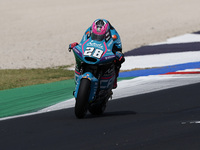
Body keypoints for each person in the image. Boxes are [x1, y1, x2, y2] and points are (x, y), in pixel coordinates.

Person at [69, 19, 125, 88]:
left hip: (106, 52)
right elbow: (82, 43)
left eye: (100, 36)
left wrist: (118, 54)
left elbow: (118, 48)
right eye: (95, 35)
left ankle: (114, 80)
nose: (98, 37)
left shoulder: (114, 35)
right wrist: (75, 45)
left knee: (118, 62)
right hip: (91, 52)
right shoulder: (88, 32)